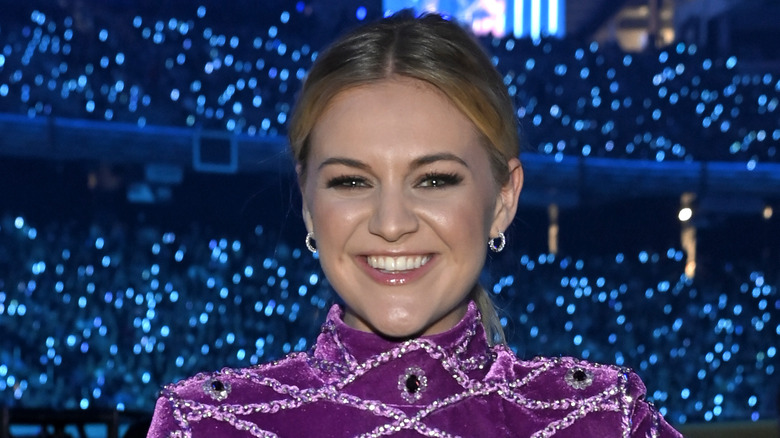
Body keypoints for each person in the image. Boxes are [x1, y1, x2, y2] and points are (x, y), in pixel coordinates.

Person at [147, 11, 682, 437]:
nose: (392, 223)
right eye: (351, 182)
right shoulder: (205, 424)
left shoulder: (605, 420)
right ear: (309, 204)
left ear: (502, 198)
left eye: (434, 180)